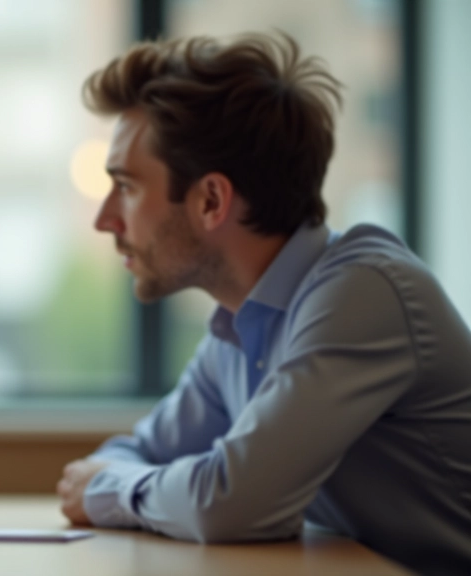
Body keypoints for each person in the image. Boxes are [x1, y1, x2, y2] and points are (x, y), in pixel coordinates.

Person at [55, 32, 471, 574]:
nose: (104, 219)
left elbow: (230, 505)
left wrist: (107, 490)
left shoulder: (364, 293)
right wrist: (115, 483)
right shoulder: (237, 326)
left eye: (127, 187)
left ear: (211, 200)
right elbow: (134, 455)